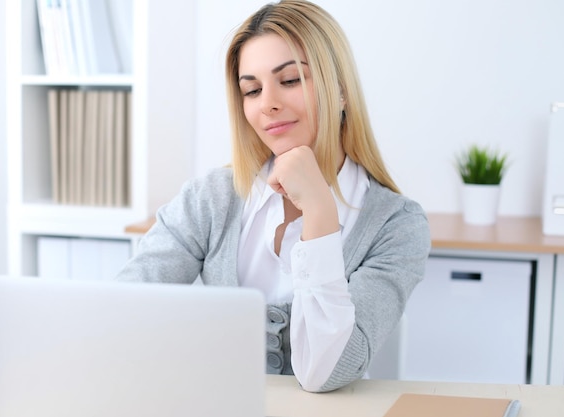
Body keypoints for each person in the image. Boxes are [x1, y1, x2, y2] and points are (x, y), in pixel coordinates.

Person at [116, 0, 431, 393]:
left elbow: (327, 373)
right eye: (252, 89)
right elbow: (124, 312)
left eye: (291, 80)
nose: (267, 104)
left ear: (342, 91)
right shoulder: (211, 198)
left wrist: (319, 211)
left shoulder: (396, 225)